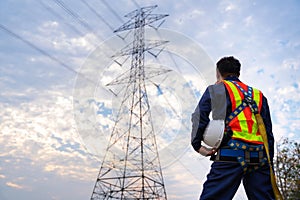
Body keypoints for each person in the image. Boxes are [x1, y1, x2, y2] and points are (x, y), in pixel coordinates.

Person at [191, 56, 276, 199]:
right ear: (238, 73)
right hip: (259, 157)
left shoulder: (217, 88)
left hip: (231, 154)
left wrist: (197, 145)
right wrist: (268, 162)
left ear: (218, 72)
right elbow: (268, 133)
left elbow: (199, 116)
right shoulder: (259, 95)